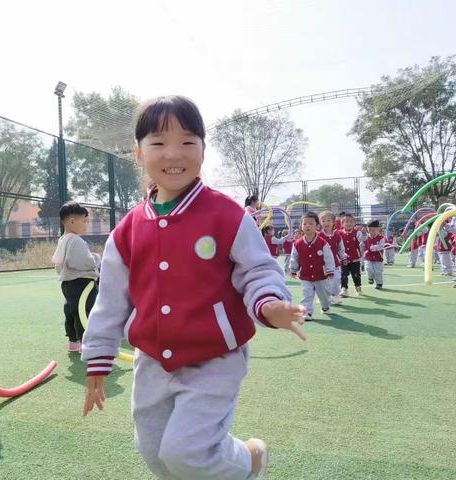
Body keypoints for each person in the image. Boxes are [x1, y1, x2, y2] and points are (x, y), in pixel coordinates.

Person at [81, 95, 307, 480]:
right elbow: (111, 301)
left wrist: (270, 304)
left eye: (187, 142)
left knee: (187, 452)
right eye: (158, 143)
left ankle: (248, 460)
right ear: (138, 152)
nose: (174, 153)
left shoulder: (227, 215)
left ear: (203, 149)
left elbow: (258, 270)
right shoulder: (128, 230)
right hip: (152, 359)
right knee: (154, 453)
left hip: (214, 357)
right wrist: (98, 358)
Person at [52, 201, 100, 353]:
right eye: (84, 221)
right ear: (72, 221)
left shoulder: (63, 240)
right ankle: (86, 344)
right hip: (83, 283)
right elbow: (83, 262)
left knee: (71, 311)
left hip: (68, 284)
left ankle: (74, 341)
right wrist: (96, 258)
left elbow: (60, 262)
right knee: (84, 311)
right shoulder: (76, 240)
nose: (86, 224)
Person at [290, 212, 335, 318]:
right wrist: (293, 269)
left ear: (317, 226)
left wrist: (330, 271)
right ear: (301, 227)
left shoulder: (323, 243)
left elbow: (329, 258)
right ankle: (307, 312)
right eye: (304, 224)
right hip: (305, 275)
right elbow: (294, 257)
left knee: (324, 296)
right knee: (307, 295)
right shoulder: (297, 244)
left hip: (321, 275)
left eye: (311, 223)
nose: (307, 226)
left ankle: (325, 306)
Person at [318, 211, 346, 304]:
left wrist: (343, 257)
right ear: (320, 223)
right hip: (322, 264)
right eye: (323, 221)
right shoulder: (318, 235)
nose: (326, 223)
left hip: (335, 263)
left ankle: (335, 296)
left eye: (328, 220)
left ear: (333, 222)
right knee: (323, 282)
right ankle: (322, 297)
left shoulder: (337, 235)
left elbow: (341, 248)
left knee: (336, 281)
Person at [338, 214, 367, 297]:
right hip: (343, 259)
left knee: (356, 275)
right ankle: (344, 289)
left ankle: (358, 288)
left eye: (351, 221)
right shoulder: (339, 233)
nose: (348, 223)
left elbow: (362, 239)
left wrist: (364, 233)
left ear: (354, 223)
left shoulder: (357, 232)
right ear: (342, 223)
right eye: (346, 221)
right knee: (343, 275)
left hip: (355, 259)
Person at [364, 220, 385, 289]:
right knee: (368, 268)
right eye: (369, 230)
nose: (371, 231)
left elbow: (381, 246)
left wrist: (375, 247)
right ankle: (370, 277)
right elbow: (362, 245)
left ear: (378, 229)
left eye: (373, 230)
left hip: (378, 258)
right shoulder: (366, 237)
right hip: (368, 257)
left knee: (378, 271)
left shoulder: (381, 238)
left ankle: (379, 283)